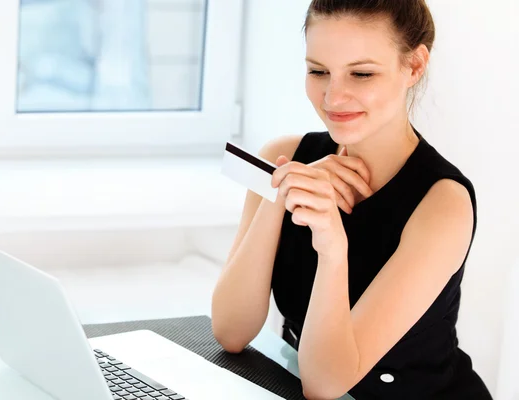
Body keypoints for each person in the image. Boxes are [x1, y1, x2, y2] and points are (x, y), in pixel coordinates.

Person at [211, 1, 493, 399]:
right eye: (318, 71)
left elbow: (325, 384)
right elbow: (230, 331)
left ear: (413, 66)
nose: (334, 96)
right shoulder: (284, 154)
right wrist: (281, 194)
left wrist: (332, 248)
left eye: (361, 73)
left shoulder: (443, 203)